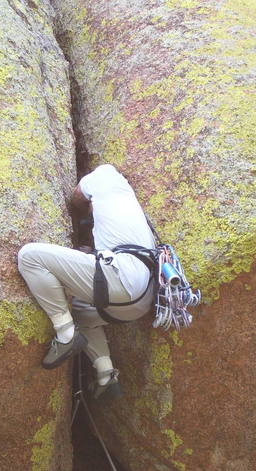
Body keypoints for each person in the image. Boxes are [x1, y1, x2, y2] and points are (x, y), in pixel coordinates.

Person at [17, 164, 155, 401]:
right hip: (141, 301)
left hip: (121, 278)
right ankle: (106, 374)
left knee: (29, 256)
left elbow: (77, 196)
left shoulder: (105, 175)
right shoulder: (130, 210)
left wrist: (81, 214)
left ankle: (65, 334)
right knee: (80, 312)